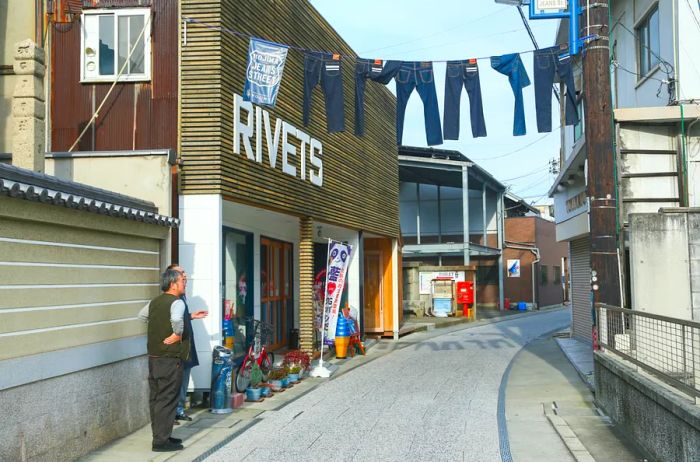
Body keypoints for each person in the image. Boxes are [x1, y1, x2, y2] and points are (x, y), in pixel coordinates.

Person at [137, 268, 188, 452]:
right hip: (169, 359)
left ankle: (161, 436)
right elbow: (176, 319)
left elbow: (141, 316)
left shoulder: (155, 301)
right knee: (168, 398)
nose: (185, 283)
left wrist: (158, 326)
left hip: (154, 358)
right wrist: (177, 333)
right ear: (173, 284)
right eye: (183, 280)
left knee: (157, 398)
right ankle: (160, 442)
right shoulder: (177, 302)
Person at [167, 265, 207, 422]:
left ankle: (179, 409)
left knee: (184, 378)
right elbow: (173, 319)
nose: (185, 276)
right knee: (175, 381)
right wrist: (176, 335)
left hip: (186, 344)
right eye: (181, 273)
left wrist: (190, 316)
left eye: (184, 273)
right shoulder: (171, 298)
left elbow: (179, 318)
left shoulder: (182, 296)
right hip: (177, 346)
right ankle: (172, 413)